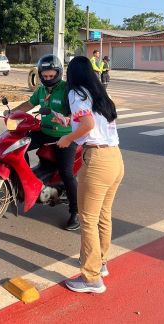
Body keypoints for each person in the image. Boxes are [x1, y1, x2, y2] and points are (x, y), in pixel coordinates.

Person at [56, 56, 124, 293]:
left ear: (72, 74)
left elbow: (87, 125)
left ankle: (91, 278)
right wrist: (66, 121)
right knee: (104, 216)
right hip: (115, 158)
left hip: (97, 161)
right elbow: (90, 122)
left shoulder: (76, 93)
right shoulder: (100, 95)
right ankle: (100, 263)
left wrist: (67, 138)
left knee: (88, 220)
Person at [5, 54, 79, 231]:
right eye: (44, 76)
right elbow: (28, 105)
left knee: (66, 172)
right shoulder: (41, 90)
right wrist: (10, 113)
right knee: (15, 148)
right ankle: (24, 182)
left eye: (50, 75)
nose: (47, 78)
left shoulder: (67, 89)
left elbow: (76, 113)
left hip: (64, 136)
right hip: (44, 132)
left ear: (58, 73)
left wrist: (66, 119)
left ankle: (75, 212)